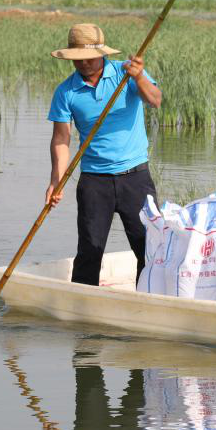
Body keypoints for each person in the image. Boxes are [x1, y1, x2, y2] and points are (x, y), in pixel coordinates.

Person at [46, 23, 162, 286]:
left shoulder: (126, 73)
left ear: (102, 53)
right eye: (78, 59)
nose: (84, 63)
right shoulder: (66, 91)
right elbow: (61, 139)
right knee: (90, 249)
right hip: (94, 181)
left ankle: (151, 297)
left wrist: (139, 77)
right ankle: (82, 305)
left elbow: (155, 99)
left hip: (135, 178)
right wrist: (56, 181)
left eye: (89, 57)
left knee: (149, 247)